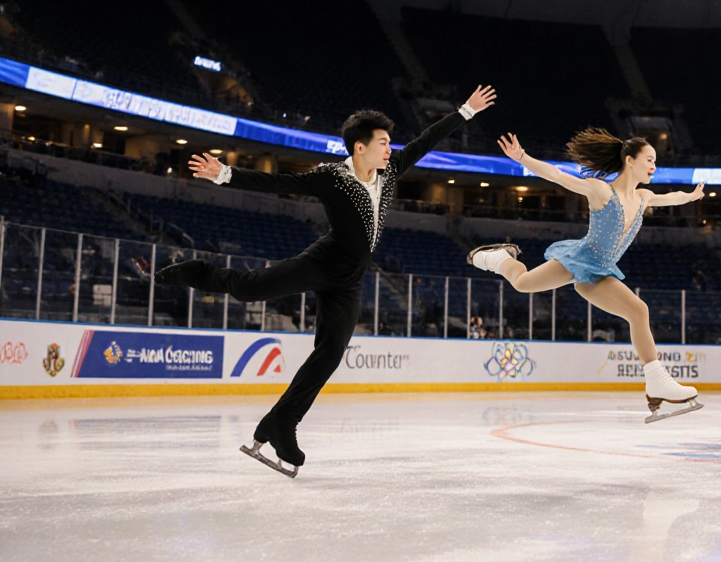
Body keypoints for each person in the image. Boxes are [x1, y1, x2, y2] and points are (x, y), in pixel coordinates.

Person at [156, 85, 497, 477]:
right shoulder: (331, 177)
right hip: (323, 261)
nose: (390, 149)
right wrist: (225, 174)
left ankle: (281, 423)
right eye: (383, 143)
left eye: (390, 143)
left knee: (330, 354)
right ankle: (196, 271)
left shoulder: (389, 171)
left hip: (350, 280)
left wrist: (465, 112)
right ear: (359, 148)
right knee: (250, 288)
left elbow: (426, 141)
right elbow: (280, 183)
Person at [467, 129, 705, 422]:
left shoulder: (644, 197)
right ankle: (500, 257)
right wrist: (522, 157)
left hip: (599, 274)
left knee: (638, 310)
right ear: (630, 161)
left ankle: (655, 381)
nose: (654, 166)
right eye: (650, 159)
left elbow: (672, 197)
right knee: (522, 283)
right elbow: (556, 176)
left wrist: (692, 196)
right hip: (580, 260)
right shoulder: (601, 191)